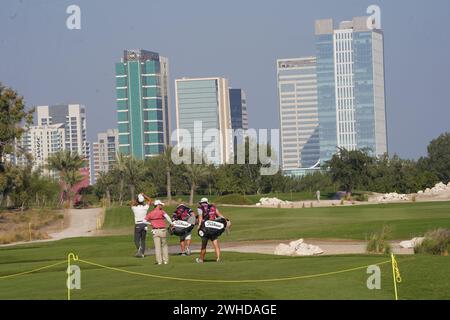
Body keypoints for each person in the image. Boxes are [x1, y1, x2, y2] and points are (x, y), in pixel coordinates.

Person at [196, 198, 227, 263]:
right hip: (213, 227)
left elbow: (200, 218)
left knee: (204, 245)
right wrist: (226, 221)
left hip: (205, 228)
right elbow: (220, 216)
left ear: (201, 202)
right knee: (216, 244)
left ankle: (201, 259)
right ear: (207, 202)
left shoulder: (200, 208)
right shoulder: (213, 207)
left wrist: (199, 226)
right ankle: (218, 258)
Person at [145, 200, 173, 265]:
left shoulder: (151, 213)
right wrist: (171, 223)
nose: (161, 206)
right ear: (157, 205)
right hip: (162, 230)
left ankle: (159, 262)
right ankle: (165, 261)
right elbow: (167, 217)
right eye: (160, 205)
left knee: (157, 247)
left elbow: (143, 221)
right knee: (164, 246)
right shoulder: (162, 211)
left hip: (155, 231)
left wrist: (151, 223)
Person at [131, 193, 152, 258]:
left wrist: (137, 197)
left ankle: (139, 249)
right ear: (143, 201)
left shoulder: (134, 208)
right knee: (143, 240)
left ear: (137, 201)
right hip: (144, 224)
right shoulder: (145, 207)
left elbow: (132, 203)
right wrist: (144, 195)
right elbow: (150, 200)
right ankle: (142, 254)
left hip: (138, 224)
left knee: (136, 240)